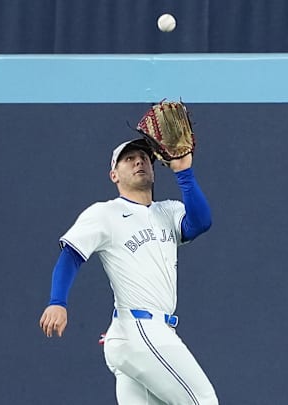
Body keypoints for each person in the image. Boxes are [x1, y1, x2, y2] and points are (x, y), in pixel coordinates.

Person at [39, 137, 219, 405]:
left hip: (147, 334)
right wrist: (57, 302)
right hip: (139, 329)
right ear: (114, 175)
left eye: (144, 157)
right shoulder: (105, 213)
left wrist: (183, 171)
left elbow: (200, 222)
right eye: (128, 158)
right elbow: (71, 256)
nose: (138, 161)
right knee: (203, 401)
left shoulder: (168, 211)